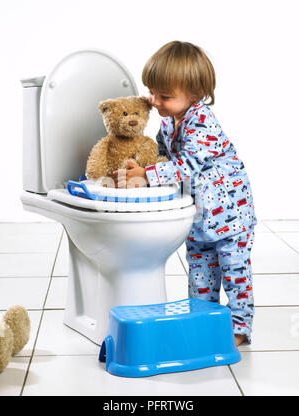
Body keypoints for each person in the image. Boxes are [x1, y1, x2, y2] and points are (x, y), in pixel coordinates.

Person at [113, 41, 257, 347]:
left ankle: (240, 327)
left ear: (195, 94)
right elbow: (163, 155)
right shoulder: (169, 121)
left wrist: (147, 176)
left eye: (164, 96)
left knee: (235, 275)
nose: (154, 101)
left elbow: (188, 166)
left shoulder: (202, 122)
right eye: (151, 91)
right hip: (200, 218)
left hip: (232, 220)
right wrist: (140, 163)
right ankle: (202, 321)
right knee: (200, 276)